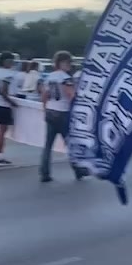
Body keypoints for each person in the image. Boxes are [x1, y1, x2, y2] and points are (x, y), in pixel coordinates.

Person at [39, 50, 83, 183]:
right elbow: (71, 95)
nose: (70, 65)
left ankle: (44, 173)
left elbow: (44, 95)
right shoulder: (65, 78)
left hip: (51, 111)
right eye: (69, 62)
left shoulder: (49, 77)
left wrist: (45, 109)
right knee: (71, 143)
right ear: (62, 63)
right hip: (63, 112)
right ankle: (78, 170)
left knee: (48, 145)